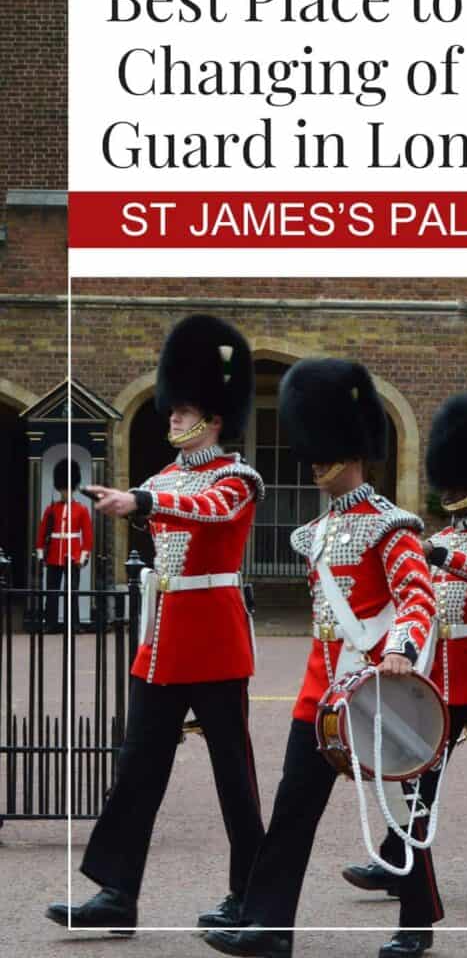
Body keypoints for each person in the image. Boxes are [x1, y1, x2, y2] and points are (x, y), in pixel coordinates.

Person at [203, 357, 442, 958]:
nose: (313, 463)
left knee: (402, 809)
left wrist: (401, 652)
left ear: (353, 452)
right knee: (292, 813)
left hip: (378, 686)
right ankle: (269, 926)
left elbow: (418, 598)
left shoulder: (391, 526)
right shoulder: (316, 533)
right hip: (322, 690)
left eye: (324, 451)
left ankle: (417, 920)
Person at [45, 314, 265, 933]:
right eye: (172, 409)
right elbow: (167, 499)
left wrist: (139, 502)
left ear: (213, 419)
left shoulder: (237, 477)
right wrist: (139, 498)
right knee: (137, 770)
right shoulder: (166, 475)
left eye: (182, 410)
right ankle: (118, 894)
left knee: (234, 781)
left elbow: (209, 510)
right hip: (164, 642)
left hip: (216, 641)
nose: (170, 417)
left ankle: (250, 893)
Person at [343, 394, 467, 901]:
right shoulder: (436, 539)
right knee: (417, 768)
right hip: (441, 672)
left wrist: (438, 552)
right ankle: (397, 856)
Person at [36, 458, 92, 632]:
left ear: (72, 488)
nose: (65, 492)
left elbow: (88, 537)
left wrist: (82, 558)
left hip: (73, 556)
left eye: (67, 489)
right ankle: (50, 623)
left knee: (71, 593)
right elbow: (42, 533)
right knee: (51, 593)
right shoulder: (51, 509)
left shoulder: (81, 509)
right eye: (62, 489)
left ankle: (73, 624)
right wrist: (40, 555)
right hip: (53, 556)